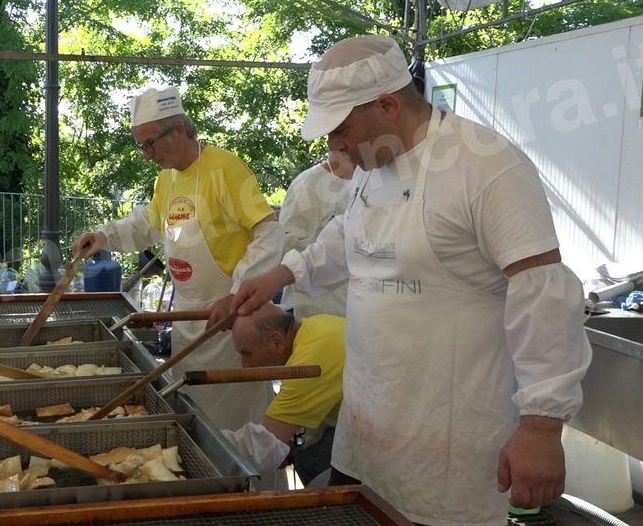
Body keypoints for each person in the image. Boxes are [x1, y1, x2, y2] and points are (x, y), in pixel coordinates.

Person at [232, 35, 591, 525]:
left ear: (387, 104)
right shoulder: (372, 161)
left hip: (449, 449)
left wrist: (542, 427)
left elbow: (544, 293)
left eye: (339, 129)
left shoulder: (486, 165)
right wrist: (281, 273)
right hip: (366, 438)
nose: (332, 146)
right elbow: (347, 236)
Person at [72, 86, 285, 485]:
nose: (147, 154)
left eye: (150, 143)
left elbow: (269, 232)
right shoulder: (166, 181)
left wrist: (239, 290)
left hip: (233, 320)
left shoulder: (227, 169)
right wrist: (103, 236)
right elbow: (147, 224)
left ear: (180, 131)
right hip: (189, 320)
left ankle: (248, 493)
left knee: (235, 422)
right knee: (195, 414)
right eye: (141, 146)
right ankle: (204, 488)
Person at [225, 303, 344, 485]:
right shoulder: (316, 327)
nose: (245, 366)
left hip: (391, 442)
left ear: (277, 342)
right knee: (307, 453)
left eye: (247, 353)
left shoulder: (309, 362)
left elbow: (263, 448)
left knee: (314, 469)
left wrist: (199, 443)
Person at [278, 149, 356, 317]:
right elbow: (288, 247)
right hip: (312, 309)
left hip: (350, 307)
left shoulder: (363, 181)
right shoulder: (308, 185)